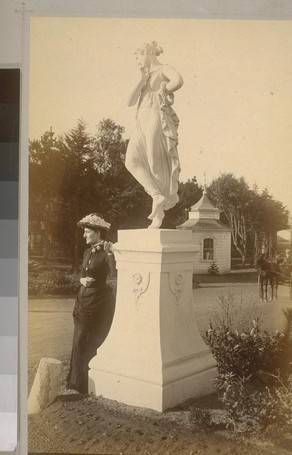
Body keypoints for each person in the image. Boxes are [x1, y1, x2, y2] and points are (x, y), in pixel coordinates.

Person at [125, 41, 184, 228]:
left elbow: (178, 80)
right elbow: (129, 101)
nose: (137, 61)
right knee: (131, 161)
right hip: (141, 120)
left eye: (138, 56)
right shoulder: (142, 75)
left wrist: (164, 89)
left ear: (148, 53)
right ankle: (156, 195)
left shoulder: (163, 68)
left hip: (156, 116)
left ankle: (159, 215)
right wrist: (140, 79)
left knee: (154, 164)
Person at [67, 213, 115, 393]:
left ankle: (88, 383)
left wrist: (110, 252)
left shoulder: (106, 252)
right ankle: (75, 382)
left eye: (87, 232)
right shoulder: (87, 252)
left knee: (90, 340)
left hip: (98, 303)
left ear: (98, 233)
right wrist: (81, 281)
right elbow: (82, 273)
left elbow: (115, 272)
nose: (84, 235)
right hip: (82, 300)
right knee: (78, 340)